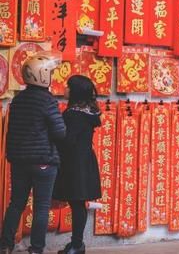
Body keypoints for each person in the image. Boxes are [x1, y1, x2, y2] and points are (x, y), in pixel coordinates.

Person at [0, 53, 66, 254]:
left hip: (19, 160)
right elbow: (60, 132)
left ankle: (5, 245)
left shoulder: (18, 100)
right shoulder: (47, 101)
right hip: (43, 161)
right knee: (41, 207)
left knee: (16, 203)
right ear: (42, 75)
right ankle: (36, 248)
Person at [53, 75, 102, 254]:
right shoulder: (87, 112)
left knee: (77, 203)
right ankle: (77, 244)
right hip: (84, 161)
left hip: (74, 163)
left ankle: (76, 245)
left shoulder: (73, 114)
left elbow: (68, 140)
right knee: (78, 203)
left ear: (76, 92)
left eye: (68, 86)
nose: (65, 88)